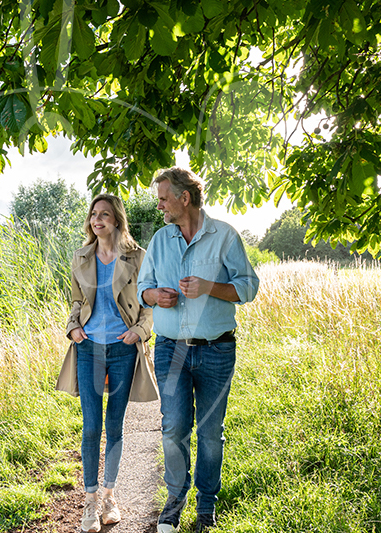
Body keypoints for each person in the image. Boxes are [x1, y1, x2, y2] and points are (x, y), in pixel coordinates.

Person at [136, 168, 260, 533]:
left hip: (216, 351)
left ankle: (206, 506)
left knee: (209, 432)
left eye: (163, 198)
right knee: (173, 427)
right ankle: (175, 500)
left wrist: (208, 286)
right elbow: (143, 288)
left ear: (184, 198)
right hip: (170, 349)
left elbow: (248, 288)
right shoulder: (160, 240)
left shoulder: (224, 236)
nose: (159, 205)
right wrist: (154, 296)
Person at [55, 193, 158, 533]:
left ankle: (110, 497)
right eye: (94, 214)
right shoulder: (81, 257)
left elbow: (147, 306)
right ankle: (89, 501)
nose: (97, 220)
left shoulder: (138, 257)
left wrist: (139, 332)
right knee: (90, 426)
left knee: (114, 427)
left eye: (105, 214)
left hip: (122, 349)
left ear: (117, 220)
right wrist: (72, 327)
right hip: (88, 350)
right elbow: (75, 300)